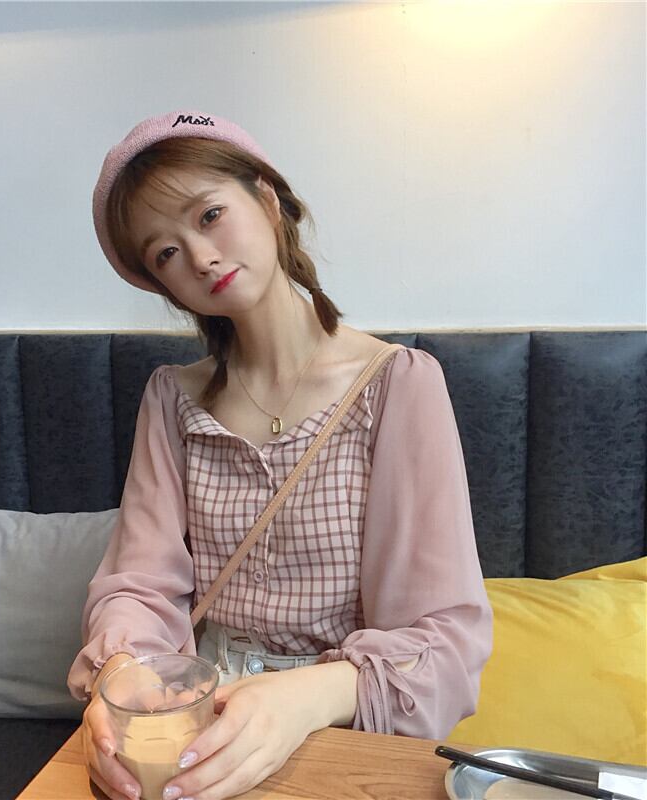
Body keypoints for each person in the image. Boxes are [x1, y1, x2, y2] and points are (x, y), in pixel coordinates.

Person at [67, 109, 493, 800]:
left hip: (342, 722)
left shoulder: (397, 384)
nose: (200, 257)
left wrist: (305, 698)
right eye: (165, 253)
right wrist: (125, 676)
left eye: (209, 215)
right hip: (198, 722)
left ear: (266, 198)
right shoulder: (171, 399)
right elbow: (138, 585)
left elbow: (444, 638)